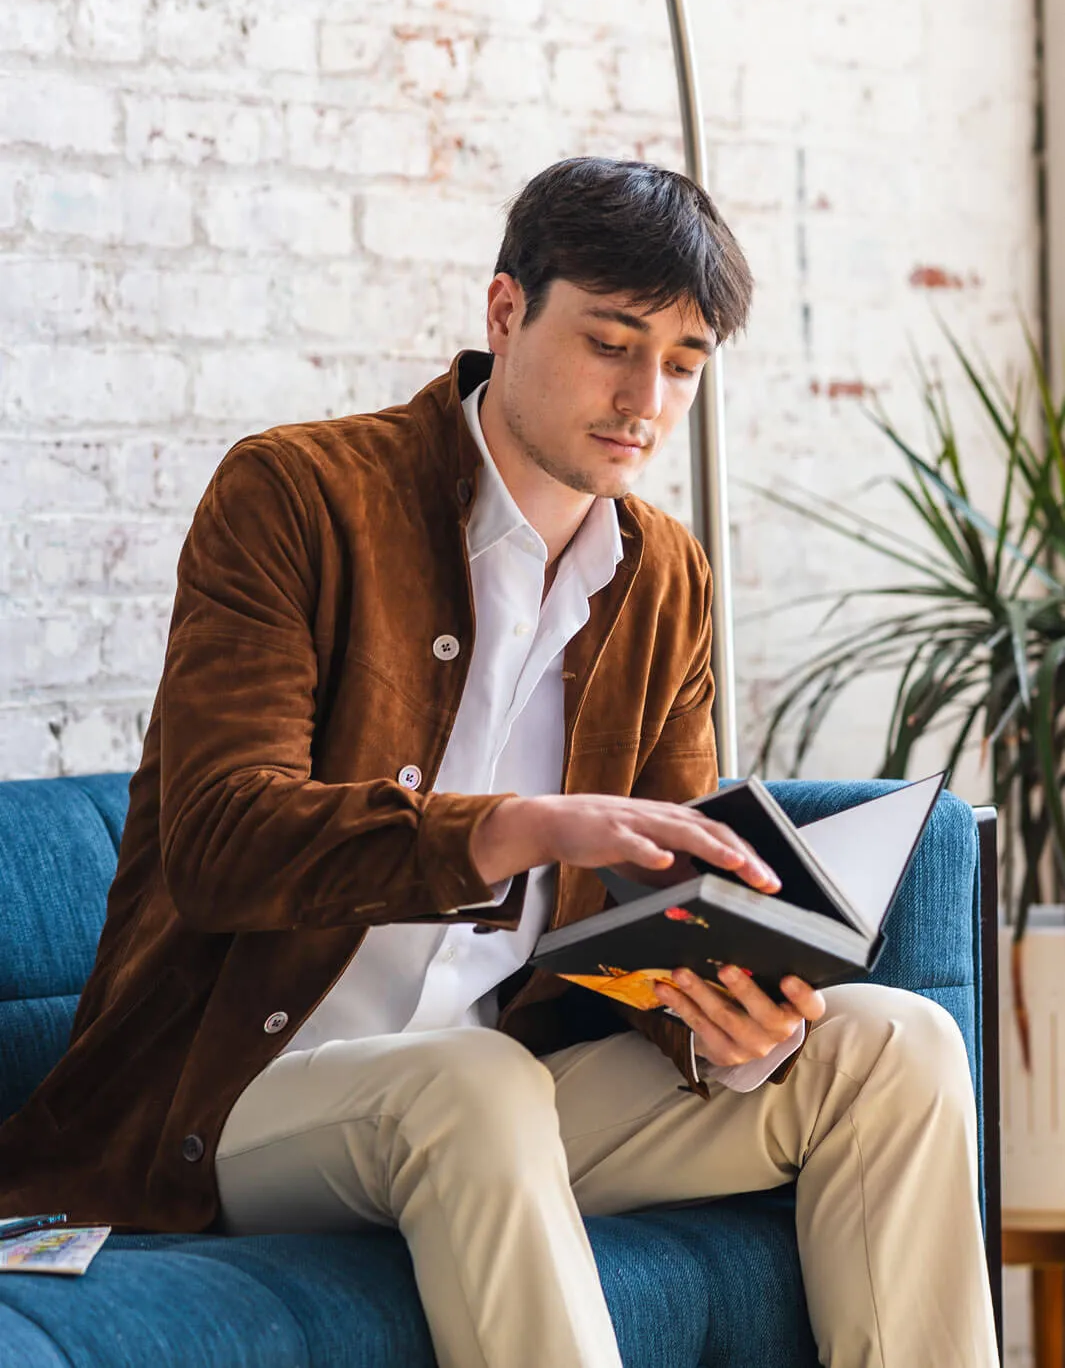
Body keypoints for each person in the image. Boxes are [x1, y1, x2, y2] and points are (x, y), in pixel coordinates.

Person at [0, 157, 997, 1367]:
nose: (646, 397)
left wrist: (727, 1023)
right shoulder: (299, 497)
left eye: (682, 364)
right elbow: (218, 839)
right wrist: (518, 827)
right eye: (613, 342)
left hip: (512, 1092)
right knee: (469, 1084)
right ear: (505, 312)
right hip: (243, 1096)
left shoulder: (664, 576)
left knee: (894, 1048)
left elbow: (659, 915)